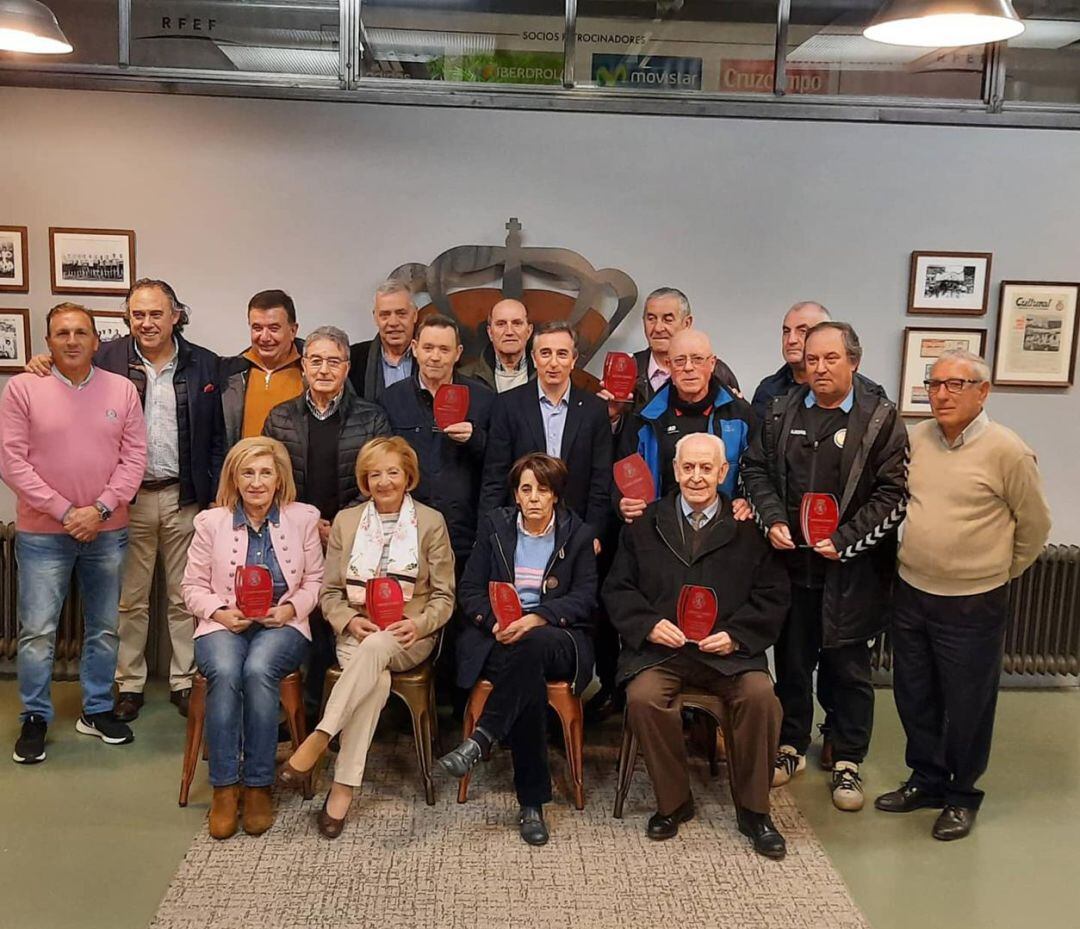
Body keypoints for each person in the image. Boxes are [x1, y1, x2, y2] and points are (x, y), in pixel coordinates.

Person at [23, 279, 225, 721]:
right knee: (129, 600)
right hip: (123, 502)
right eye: (138, 314)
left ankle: (183, 680)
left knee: (184, 596)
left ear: (176, 316)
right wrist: (42, 361)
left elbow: (217, 437)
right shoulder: (108, 356)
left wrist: (213, 497)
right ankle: (129, 683)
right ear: (127, 318)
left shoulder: (205, 364)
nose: (146, 323)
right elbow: (67, 366)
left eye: (156, 314)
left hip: (184, 496)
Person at [875, 350, 1050, 840]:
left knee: (968, 703)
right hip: (913, 591)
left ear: (983, 392)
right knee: (914, 693)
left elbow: (1035, 527)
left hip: (973, 601)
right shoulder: (917, 439)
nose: (942, 394)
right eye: (934, 384)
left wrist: (995, 571)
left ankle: (961, 795)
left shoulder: (1008, 451)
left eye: (956, 384)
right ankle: (926, 779)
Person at [740, 321, 908, 812]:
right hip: (791, 568)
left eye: (830, 358)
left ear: (853, 361)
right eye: (812, 359)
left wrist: (846, 540)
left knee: (849, 671)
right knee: (792, 662)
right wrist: (772, 519)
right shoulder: (779, 411)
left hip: (852, 574)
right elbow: (754, 470)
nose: (820, 368)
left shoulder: (880, 419)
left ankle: (848, 759)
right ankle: (790, 744)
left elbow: (894, 493)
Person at [603, 434, 789, 858]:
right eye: (688, 467)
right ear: (675, 470)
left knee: (761, 697)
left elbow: (773, 595)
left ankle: (754, 811)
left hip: (729, 653)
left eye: (707, 468)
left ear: (723, 472)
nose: (697, 477)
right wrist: (649, 625)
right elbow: (617, 589)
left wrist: (737, 635)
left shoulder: (749, 529)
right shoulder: (645, 523)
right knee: (643, 697)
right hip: (662, 652)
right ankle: (674, 802)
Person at [276, 437, 455, 838]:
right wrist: (350, 621)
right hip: (357, 632)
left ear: (408, 477)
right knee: (376, 678)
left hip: (409, 636)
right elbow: (330, 593)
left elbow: (445, 597)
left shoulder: (431, 522)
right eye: (375, 474)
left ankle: (320, 737)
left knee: (376, 650)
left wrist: (420, 624)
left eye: (393, 473)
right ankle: (342, 788)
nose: (384, 482)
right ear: (364, 480)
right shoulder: (346, 521)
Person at [3, 303, 147, 764]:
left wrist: (100, 509)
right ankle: (35, 716)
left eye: (80, 332)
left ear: (96, 340)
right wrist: (66, 512)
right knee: (38, 631)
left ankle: (97, 709)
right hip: (42, 534)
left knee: (104, 627)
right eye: (62, 333)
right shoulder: (23, 389)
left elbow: (134, 459)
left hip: (107, 530)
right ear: (48, 341)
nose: (71, 340)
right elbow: (11, 461)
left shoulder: (122, 390)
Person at [439, 453, 597, 846]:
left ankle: (482, 737)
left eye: (543, 490)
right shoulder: (496, 528)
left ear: (555, 495)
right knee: (526, 678)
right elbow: (470, 590)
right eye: (526, 489)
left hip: (557, 636)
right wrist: (494, 623)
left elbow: (584, 598)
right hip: (499, 637)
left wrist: (537, 617)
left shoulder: (578, 535)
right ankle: (531, 804)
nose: (534, 498)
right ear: (516, 494)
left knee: (530, 649)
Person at [181, 437, 324, 839]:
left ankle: (259, 785)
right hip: (223, 624)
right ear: (234, 478)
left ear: (279, 478)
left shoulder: (303, 518)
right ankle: (226, 787)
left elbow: (315, 580)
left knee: (259, 669)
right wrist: (220, 613)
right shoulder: (211, 522)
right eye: (247, 473)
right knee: (226, 671)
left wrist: (290, 609)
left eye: (265, 473)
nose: (256, 482)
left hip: (282, 624)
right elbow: (191, 586)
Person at [262, 325, 392, 718]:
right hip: (295, 536)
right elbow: (269, 480)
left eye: (333, 361)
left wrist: (340, 525)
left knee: (346, 617)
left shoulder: (372, 418)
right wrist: (309, 523)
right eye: (315, 360)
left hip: (355, 536)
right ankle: (304, 712)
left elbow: (381, 478)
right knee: (305, 618)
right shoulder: (280, 417)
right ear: (303, 366)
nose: (323, 369)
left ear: (347, 367)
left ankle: (344, 714)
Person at [479, 321, 612, 544]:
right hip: (519, 529)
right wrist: (488, 534)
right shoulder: (508, 405)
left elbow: (601, 480)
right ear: (534, 358)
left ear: (573, 360)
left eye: (562, 354)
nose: (553, 363)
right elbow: (495, 477)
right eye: (545, 353)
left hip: (577, 530)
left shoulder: (594, 409)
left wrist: (593, 533)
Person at [616, 328, 754, 524]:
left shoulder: (741, 415)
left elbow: (757, 472)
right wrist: (622, 503)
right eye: (680, 361)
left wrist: (747, 501)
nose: (689, 367)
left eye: (697, 359)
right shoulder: (645, 419)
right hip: (659, 529)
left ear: (712, 364)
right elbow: (622, 475)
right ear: (668, 366)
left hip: (725, 529)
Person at [221, 289, 304, 447]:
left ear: (293, 330)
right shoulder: (230, 374)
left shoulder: (313, 373)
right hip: (244, 463)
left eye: (274, 328)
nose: (265, 337)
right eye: (257, 328)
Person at [750, 301, 831, 421]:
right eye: (786, 332)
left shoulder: (851, 390)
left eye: (802, 331)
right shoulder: (768, 391)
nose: (791, 340)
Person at [348, 279, 418, 401]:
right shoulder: (353, 359)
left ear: (415, 315)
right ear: (375, 318)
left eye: (401, 314)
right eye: (385, 315)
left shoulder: (432, 357)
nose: (393, 322)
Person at [457, 298, 535, 392]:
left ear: (529, 331)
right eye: (501, 324)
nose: (509, 332)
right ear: (490, 332)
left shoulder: (545, 374)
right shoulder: (463, 378)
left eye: (517, 324)